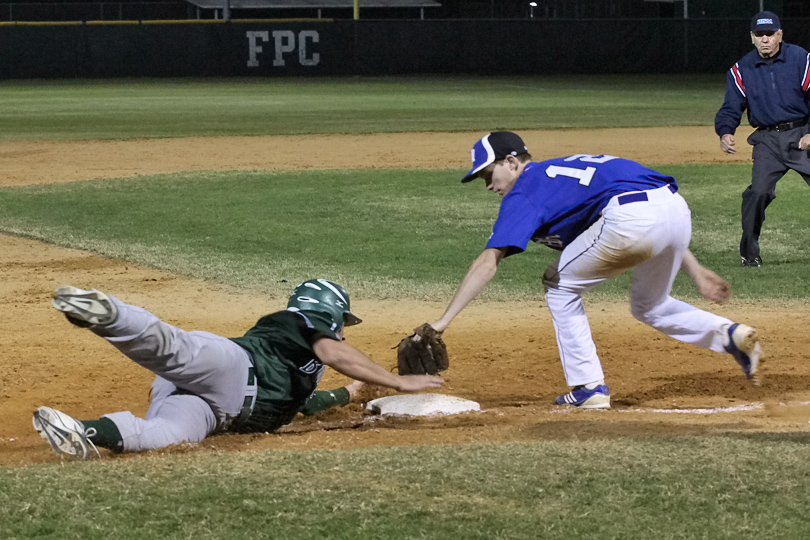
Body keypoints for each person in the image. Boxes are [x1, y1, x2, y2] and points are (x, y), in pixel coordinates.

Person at [425, 131, 762, 409]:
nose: (487, 184)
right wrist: (695, 268)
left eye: (488, 174)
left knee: (558, 284)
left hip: (632, 218)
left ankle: (588, 387)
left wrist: (441, 323)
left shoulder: (525, 191)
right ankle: (729, 335)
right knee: (650, 305)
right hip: (674, 209)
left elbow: (488, 262)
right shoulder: (556, 174)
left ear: (511, 162)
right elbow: (651, 207)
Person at [34, 280, 444, 459]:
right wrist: (397, 381)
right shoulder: (298, 321)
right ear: (333, 315)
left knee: (165, 438)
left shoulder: (303, 365)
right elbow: (335, 352)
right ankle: (107, 315)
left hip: (216, 411)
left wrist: (351, 393)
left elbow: (303, 403)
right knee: (172, 348)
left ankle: (79, 429)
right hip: (230, 366)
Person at [715, 11, 810, 267]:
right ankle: (749, 254)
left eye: (770, 34)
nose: (765, 39)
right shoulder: (741, 69)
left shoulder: (801, 59)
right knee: (757, 193)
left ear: (780, 35)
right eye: (759, 35)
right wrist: (725, 131)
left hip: (802, 134)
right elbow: (730, 107)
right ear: (752, 38)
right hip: (767, 140)